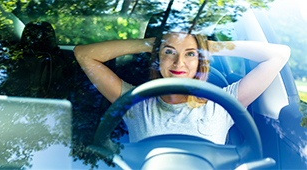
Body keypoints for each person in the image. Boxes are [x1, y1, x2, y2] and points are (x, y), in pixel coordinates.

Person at [73, 32, 290, 144]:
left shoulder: (225, 103)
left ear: (200, 61)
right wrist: (149, 44)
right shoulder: (136, 102)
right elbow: (84, 54)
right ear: (157, 58)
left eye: (190, 53)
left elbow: (279, 55)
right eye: (169, 52)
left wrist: (212, 47)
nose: (179, 63)